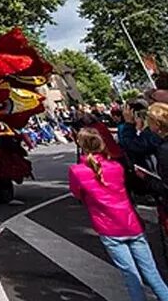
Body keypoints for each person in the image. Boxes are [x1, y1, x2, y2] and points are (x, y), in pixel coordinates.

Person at [69, 127, 168, 301]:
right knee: (152, 273)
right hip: (131, 223)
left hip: (108, 227)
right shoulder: (116, 167)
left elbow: (78, 194)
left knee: (131, 275)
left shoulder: (77, 171)